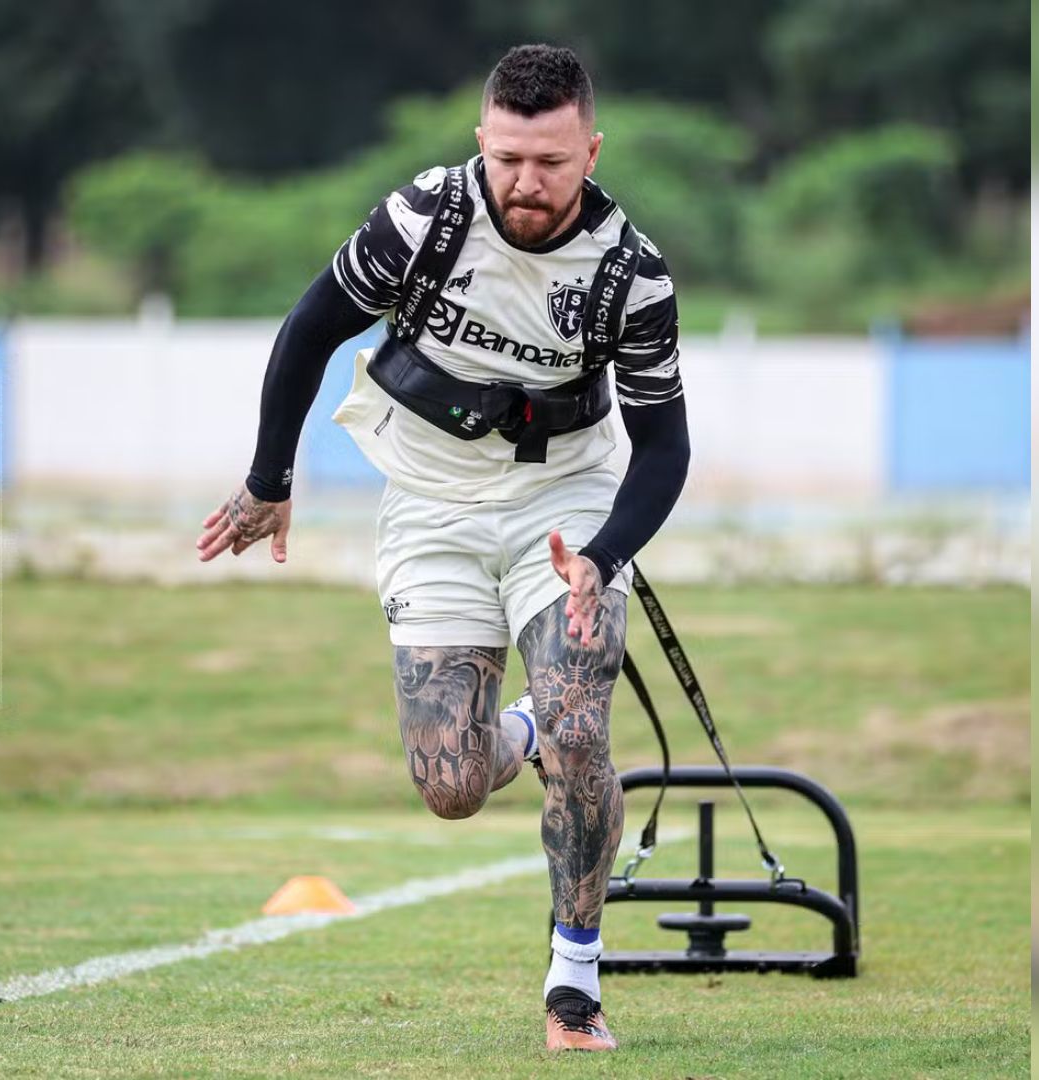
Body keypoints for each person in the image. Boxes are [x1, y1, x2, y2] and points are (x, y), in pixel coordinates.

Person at [194, 44, 688, 1053]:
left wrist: (603, 551)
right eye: (508, 156)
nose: (527, 182)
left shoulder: (632, 275)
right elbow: (309, 328)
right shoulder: (426, 218)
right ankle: (529, 727)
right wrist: (269, 477)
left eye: (551, 161)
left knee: (582, 726)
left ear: (590, 150)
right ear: (482, 142)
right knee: (451, 784)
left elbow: (665, 447)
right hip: (430, 498)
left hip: (567, 500)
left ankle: (574, 984)